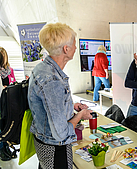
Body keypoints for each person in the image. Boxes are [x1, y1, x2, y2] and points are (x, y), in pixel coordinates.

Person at [28, 22, 93, 169]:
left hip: (43, 141)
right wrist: (80, 115)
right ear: (66, 49)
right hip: (55, 148)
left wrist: (71, 106)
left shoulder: (43, 68)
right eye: (74, 44)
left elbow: (49, 106)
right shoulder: (52, 80)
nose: (76, 48)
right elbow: (61, 133)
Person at [0, 47, 16, 161]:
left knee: (5, 126)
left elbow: (13, 82)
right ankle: (2, 149)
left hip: (6, 101)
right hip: (1, 100)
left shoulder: (8, 70)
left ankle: (6, 147)